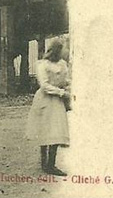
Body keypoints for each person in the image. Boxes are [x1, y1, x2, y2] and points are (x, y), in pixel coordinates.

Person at [26, 37, 70, 176]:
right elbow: (44, 85)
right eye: (62, 49)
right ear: (56, 50)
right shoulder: (42, 64)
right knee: (45, 129)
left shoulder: (63, 64)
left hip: (57, 101)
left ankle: (51, 164)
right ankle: (44, 163)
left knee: (56, 130)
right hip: (45, 99)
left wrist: (69, 87)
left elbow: (65, 79)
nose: (64, 52)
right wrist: (61, 92)